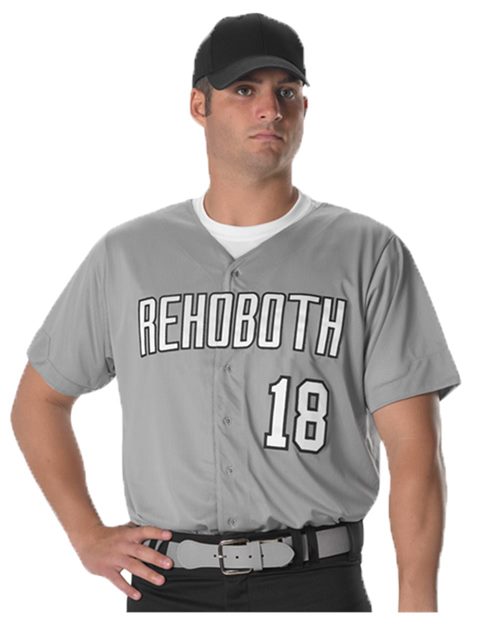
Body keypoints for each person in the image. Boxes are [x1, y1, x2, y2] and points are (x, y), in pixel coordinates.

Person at [11, 12, 461, 613]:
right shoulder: (128, 256)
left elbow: (415, 450)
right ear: (199, 105)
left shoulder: (368, 252)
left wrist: (418, 609)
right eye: (244, 90)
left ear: (304, 108)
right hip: (168, 584)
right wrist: (85, 534)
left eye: (287, 92)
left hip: (317, 581)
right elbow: (38, 402)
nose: (270, 109)